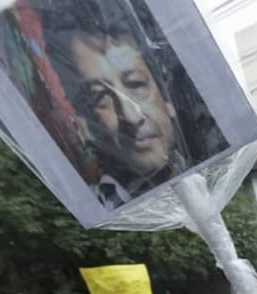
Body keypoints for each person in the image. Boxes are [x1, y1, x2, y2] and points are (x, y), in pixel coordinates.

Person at [39, 1, 207, 208]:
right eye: (101, 98)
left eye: (136, 84)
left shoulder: (209, 166)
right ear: (86, 120)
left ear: (166, 95)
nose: (131, 116)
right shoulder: (95, 207)